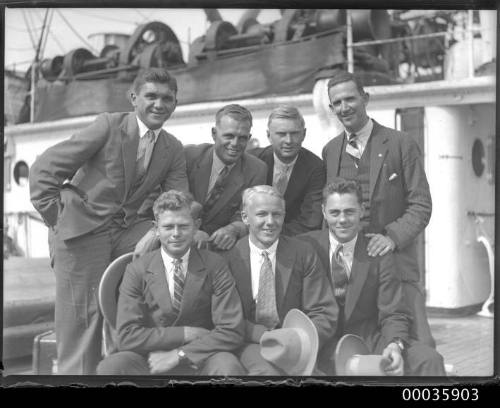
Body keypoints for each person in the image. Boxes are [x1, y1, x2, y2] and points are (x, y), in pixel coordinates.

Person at [29, 68, 188, 375]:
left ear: (175, 103)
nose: (159, 104)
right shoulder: (109, 126)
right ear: (134, 98)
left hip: (125, 231)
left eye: (167, 98)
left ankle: (125, 365)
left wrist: (155, 231)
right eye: (151, 96)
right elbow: (43, 170)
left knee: (168, 249)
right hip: (81, 230)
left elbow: (179, 202)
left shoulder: (171, 148)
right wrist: (58, 220)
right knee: (82, 324)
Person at [322, 70, 435, 347]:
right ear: (331, 108)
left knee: (419, 347)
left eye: (350, 99)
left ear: (366, 98)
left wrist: (391, 238)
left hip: (396, 267)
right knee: (357, 347)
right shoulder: (330, 151)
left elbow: (421, 204)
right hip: (351, 276)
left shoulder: (400, 144)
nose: (344, 107)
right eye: (337, 103)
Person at [298, 179, 445, 376]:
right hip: (320, 341)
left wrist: (394, 345)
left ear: (362, 210)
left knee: (429, 359)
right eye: (335, 212)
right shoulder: (304, 246)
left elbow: (393, 311)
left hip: (366, 339)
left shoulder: (377, 252)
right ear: (324, 212)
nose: (342, 219)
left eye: (349, 211)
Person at [97, 190, 246, 375]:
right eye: (168, 227)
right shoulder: (137, 269)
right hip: (150, 358)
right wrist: (186, 333)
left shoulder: (215, 265)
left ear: (196, 226)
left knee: (228, 367)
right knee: (112, 368)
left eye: (183, 226)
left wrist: (180, 354)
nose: (176, 234)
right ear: (156, 229)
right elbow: (127, 336)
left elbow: (232, 330)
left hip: (201, 355)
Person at [223, 185, 336, 375]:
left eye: (277, 215)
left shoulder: (303, 253)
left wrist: (299, 340)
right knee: (269, 374)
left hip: (296, 344)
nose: (270, 222)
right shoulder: (228, 259)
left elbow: (323, 310)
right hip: (249, 342)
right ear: (245, 218)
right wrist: (266, 336)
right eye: (261, 214)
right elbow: (225, 317)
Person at [184, 104, 267, 251]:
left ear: (249, 138)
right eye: (229, 136)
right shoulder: (188, 157)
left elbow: (250, 212)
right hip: (180, 234)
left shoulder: (257, 169)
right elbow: (172, 200)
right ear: (214, 133)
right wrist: (191, 230)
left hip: (221, 246)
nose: (235, 144)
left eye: (242, 138)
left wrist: (233, 229)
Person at [248, 105, 325, 236]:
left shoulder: (316, 167)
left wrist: (271, 235)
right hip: (252, 237)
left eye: (294, 134)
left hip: (295, 239)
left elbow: (310, 221)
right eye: (281, 134)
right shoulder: (252, 161)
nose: (288, 141)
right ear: (269, 135)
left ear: (304, 134)